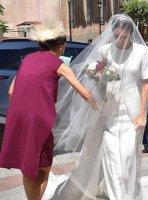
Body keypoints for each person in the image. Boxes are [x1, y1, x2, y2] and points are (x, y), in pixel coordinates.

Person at [43, 14, 148, 200]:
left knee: (127, 160)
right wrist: (96, 76)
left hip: (132, 112)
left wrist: (142, 115)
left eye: (123, 36)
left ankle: (124, 190)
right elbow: (100, 78)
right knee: (113, 159)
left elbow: (146, 84)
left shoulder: (141, 52)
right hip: (109, 111)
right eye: (116, 36)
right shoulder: (106, 50)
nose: (119, 40)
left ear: (131, 34)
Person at [0, 22, 96, 200]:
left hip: (18, 117)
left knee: (28, 166)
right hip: (40, 120)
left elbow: (11, 91)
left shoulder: (28, 59)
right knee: (43, 167)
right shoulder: (58, 63)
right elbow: (84, 92)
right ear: (60, 46)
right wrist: (98, 107)